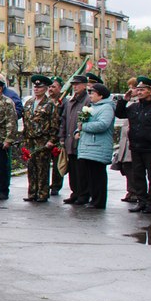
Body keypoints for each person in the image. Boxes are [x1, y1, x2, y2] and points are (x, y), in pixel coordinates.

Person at [115, 77, 151, 215]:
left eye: (142, 90)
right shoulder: (134, 107)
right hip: (136, 146)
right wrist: (124, 100)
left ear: (150, 91)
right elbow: (120, 114)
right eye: (138, 90)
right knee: (138, 176)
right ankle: (141, 201)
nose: (139, 92)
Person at [76, 83, 117, 209]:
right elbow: (82, 123)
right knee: (91, 175)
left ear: (101, 95)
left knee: (98, 175)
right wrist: (77, 131)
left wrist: (84, 127)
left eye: (92, 93)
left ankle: (98, 201)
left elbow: (103, 124)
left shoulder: (106, 108)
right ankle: (93, 199)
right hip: (88, 146)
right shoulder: (92, 107)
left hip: (98, 146)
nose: (90, 95)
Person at [21, 76, 60, 203]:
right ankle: (32, 192)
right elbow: (26, 121)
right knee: (31, 167)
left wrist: (52, 140)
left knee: (42, 168)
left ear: (46, 89)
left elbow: (55, 124)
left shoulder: (50, 104)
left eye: (40, 87)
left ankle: (42, 193)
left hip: (42, 140)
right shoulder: (29, 103)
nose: (36, 89)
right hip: (30, 139)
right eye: (35, 87)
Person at [59, 75, 91, 205]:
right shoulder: (70, 101)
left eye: (78, 84)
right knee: (72, 170)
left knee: (82, 170)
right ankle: (75, 192)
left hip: (81, 142)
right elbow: (64, 120)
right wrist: (62, 137)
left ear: (85, 85)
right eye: (73, 84)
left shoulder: (87, 101)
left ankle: (83, 194)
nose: (75, 87)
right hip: (69, 141)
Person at [112, 77, 140, 203]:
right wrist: (124, 100)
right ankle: (131, 191)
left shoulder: (141, 102)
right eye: (130, 87)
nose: (131, 90)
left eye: (133, 87)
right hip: (126, 138)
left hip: (134, 139)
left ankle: (136, 192)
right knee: (126, 165)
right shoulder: (130, 102)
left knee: (133, 166)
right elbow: (120, 113)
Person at [47, 77, 66, 197]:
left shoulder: (64, 102)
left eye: (53, 87)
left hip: (58, 137)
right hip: (45, 136)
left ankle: (55, 186)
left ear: (60, 88)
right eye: (49, 87)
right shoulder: (46, 101)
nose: (50, 89)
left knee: (57, 164)